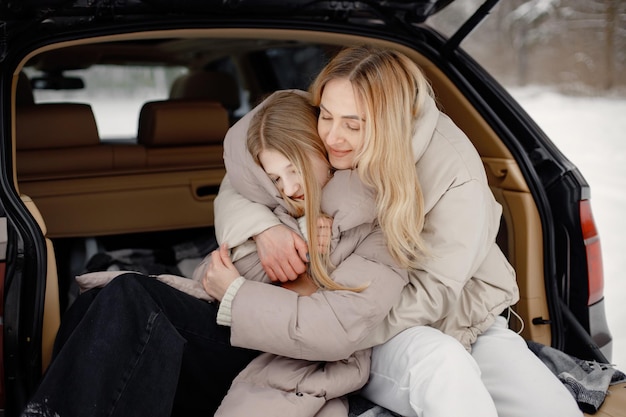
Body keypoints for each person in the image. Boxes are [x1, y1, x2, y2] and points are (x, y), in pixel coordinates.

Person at [213, 45, 584, 417]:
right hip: (370, 327)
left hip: (431, 314)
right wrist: (263, 229)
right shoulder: (321, 118)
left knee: (551, 407)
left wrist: (326, 324)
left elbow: (432, 293)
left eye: (354, 125)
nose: (332, 137)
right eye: (326, 116)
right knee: (442, 367)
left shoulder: (454, 174)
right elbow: (244, 172)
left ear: (391, 121)